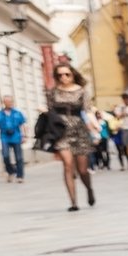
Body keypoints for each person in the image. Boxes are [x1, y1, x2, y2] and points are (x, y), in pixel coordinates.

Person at [46, 64, 96, 211]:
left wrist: (95, 125)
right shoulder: (52, 92)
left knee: (82, 171)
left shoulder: (81, 91)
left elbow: (87, 110)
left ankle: (89, 189)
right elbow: (51, 114)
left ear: (73, 75)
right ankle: (73, 202)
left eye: (67, 74)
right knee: (67, 165)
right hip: (61, 132)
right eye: (60, 75)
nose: (64, 77)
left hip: (79, 131)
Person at [0, 95, 26, 183]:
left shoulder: (18, 113)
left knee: (19, 157)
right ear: (4, 103)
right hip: (4, 137)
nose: (9, 103)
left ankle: (20, 176)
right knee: (5, 156)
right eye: (7, 102)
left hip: (16, 136)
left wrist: (23, 136)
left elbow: (22, 125)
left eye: (11, 102)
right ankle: (11, 171)